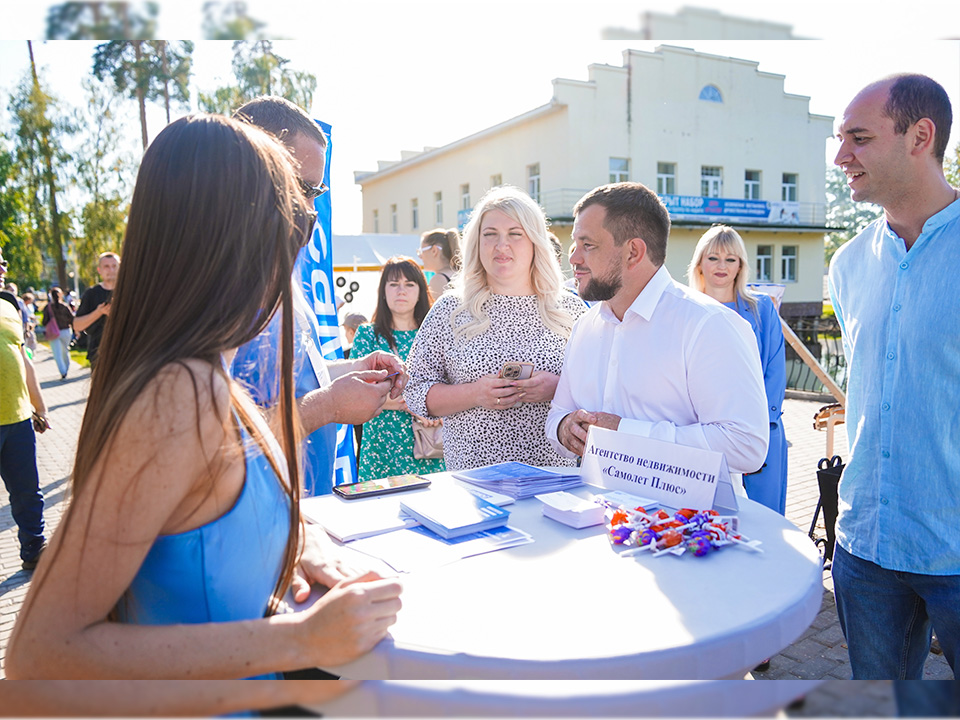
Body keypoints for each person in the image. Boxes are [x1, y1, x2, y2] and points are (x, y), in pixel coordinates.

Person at [6, 115, 402, 695]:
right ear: (235, 239)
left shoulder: (202, 372)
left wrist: (299, 546)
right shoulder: (179, 396)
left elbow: (212, 522)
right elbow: (40, 654)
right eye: (292, 223)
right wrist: (303, 640)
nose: (296, 249)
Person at [828, 73, 959, 680]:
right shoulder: (847, 264)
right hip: (865, 549)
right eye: (839, 138)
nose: (840, 157)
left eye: (859, 137)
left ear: (920, 136)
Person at [230, 95, 405, 497]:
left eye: (318, 191)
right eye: (304, 188)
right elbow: (212, 441)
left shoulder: (283, 275)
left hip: (305, 508)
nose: (311, 208)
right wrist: (327, 407)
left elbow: (294, 375)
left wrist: (356, 367)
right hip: (254, 514)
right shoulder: (221, 288)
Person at [546, 182, 768, 485]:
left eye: (588, 245)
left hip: (683, 528)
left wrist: (626, 434)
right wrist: (565, 428)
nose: (573, 259)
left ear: (633, 252)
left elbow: (745, 445)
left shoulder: (709, 325)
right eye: (575, 244)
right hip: (594, 518)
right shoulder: (585, 325)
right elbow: (558, 414)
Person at [405, 186, 587, 470]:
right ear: (476, 242)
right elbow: (415, 391)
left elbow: (605, 392)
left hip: (555, 486)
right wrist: (475, 394)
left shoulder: (571, 311)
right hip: (472, 487)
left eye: (515, 234)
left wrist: (558, 388)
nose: (502, 246)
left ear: (535, 242)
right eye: (490, 234)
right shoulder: (450, 310)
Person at [687, 225, 788, 514]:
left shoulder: (762, 309)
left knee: (764, 519)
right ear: (699, 263)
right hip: (702, 432)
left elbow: (774, 369)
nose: (722, 266)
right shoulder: (685, 309)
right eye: (713, 258)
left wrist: (760, 426)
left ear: (740, 265)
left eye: (730, 259)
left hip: (758, 430)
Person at [352, 256, 445, 481]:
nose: (401, 291)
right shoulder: (367, 335)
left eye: (409, 284)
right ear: (383, 291)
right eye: (393, 284)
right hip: (381, 446)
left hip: (429, 445)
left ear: (421, 290)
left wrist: (437, 407)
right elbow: (358, 391)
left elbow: (450, 383)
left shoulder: (437, 334)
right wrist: (416, 404)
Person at [0, 249, 49, 571]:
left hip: (17, 418)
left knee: (28, 492)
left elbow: (24, 361)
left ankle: (35, 549)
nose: (2, 267)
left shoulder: (8, 305)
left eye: (2, 260)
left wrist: (39, 406)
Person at [73, 252, 119, 369]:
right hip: (99, 355)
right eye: (106, 266)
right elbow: (77, 326)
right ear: (99, 270)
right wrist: (99, 312)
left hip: (127, 354)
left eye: (114, 266)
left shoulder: (130, 292)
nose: (111, 270)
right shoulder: (91, 294)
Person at [40, 286, 76, 379]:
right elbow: (72, 319)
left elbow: (44, 321)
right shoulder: (65, 306)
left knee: (57, 353)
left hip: (53, 332)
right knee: (65, 350)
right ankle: (66, 368)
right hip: (66, 331)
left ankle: (62, 371)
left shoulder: (48, 308)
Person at [418, 227, 460, 302]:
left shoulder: (439, 279)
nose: (420, 256)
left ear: (434, 250)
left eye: (421, 251)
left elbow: (437, 312)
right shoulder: (460, 274)